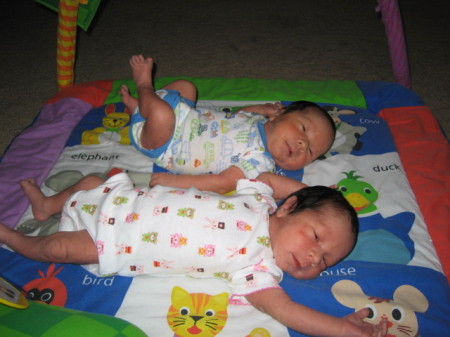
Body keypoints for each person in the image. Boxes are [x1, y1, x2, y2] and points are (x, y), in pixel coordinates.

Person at [0, 173, 386, 337]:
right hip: (118, 196)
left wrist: (342, 329)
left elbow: (285, 312)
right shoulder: (261, 199)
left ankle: (17, 240)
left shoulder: (258, 268)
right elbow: (268, 178)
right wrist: (319, 190)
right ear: (288, 208)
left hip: (112, 239)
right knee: (86, 184)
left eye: (326, 262)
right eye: (316, 236)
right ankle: (47, 206)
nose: (314, 258)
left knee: (54, 249)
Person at [120, 55, 337, 200]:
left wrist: (175, 181)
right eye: (303, 129)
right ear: (279, 114)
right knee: (186, 87)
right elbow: (233, 118)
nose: (302, 144)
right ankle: (140, 107)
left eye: (309, 151)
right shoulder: (256, 123)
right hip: (182, 115)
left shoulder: (259, 162)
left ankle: (143, 87)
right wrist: (261, 108)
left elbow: (222, 183)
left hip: (163, 142)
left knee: (162, 113)